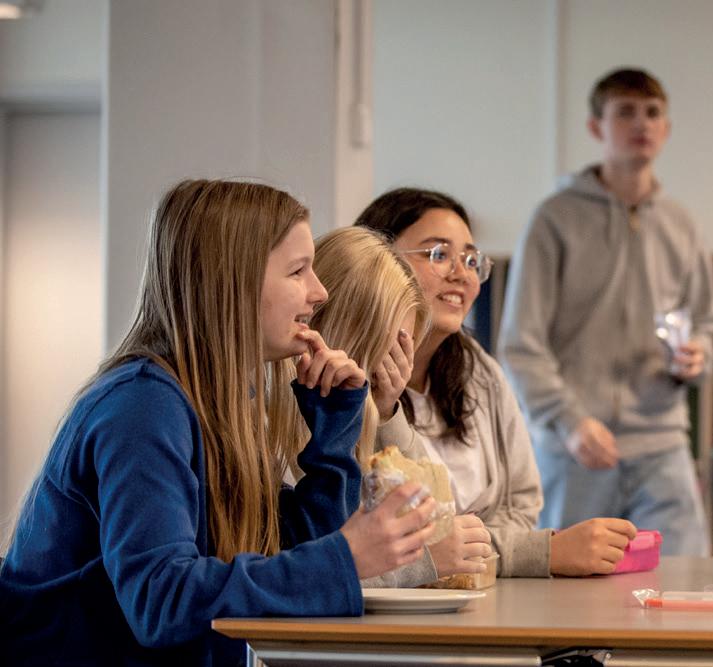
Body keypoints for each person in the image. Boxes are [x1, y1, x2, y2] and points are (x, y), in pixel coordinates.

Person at [0, 180, 438, 666]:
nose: (320, 292)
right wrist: (345, 558)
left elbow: (283, 548)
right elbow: (162, 601)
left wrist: (334, 432)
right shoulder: (142, 407)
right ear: (233, 284)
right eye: (298, 271)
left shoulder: (219, 402)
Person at [355, 188, 639, 578]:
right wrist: (535, 552)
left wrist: (480, 554)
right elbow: (395, 541)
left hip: (487, 591)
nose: (461, 274)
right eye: (438, 254)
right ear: (378, 262)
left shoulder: (480, 372)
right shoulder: (346, 377)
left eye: (471, 260)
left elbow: (521, 504)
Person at [498, 67, 713, 556]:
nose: (641, 123)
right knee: (571, 591)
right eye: (625, 112)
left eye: (652, 113)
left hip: (662, 446)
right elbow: (520, 345)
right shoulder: (554, 219)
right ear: (596, 126)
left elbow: (704, 324)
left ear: (666, 129)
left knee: (683, 585)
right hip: (575, 448)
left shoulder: (683, 225)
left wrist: (699, 355)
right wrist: (570, 421)